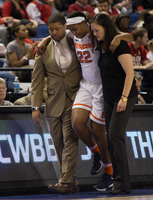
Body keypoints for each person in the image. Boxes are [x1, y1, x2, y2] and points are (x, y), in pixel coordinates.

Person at [38, 11, 134, 191]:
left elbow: (129, 36)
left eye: (76, 29)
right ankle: (97, 155)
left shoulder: (94, 32)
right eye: (71, 30)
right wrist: (44, 40)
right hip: (85, 85)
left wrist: (118, 38)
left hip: (101, 87)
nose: (74, 33)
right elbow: (55, 35)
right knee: (77, 124)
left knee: (98, 132)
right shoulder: (71, 32)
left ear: (85, 23)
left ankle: (108, 173)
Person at [32, 13, 82, 194]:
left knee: (70, 140)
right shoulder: (42, 50)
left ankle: (65, 181)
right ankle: (71, 182)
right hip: (52, 102)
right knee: (58, 144)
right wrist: (36, 107)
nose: (53, 32)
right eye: (50, 30)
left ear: (65, 27)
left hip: (75, 98)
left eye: (57, 29)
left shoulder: (76, 42)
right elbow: (36, 81)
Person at [90, 13, 138, 195]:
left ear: (106, 27)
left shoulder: (120, 45)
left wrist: (124, 98)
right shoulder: (102, 46)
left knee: (116, 135)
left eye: (97, 30)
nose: (94, 34)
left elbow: (130, 74)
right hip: (109, 97)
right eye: (93, 31)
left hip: (124, 95)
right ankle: (120, 182)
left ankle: (121, 183)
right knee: (111, 138)